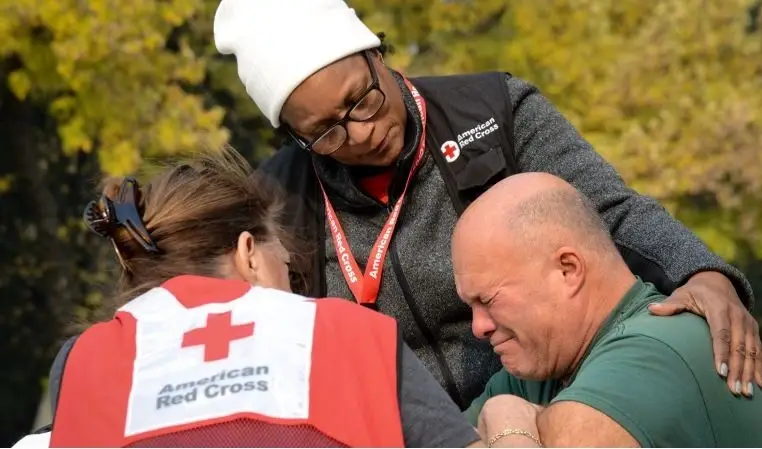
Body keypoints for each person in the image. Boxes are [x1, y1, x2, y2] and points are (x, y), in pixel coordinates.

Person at [212, 0, 762, 408]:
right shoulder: (278, 199)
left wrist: (703, 271)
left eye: (360, 98)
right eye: (327, 131)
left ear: (375, 52)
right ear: (294, 136)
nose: (360, 132)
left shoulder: (495, 110)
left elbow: (612, 212)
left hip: (544, 399)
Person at [13, 148, 482, 448]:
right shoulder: (349, 333)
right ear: (248, 254)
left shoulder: (83, 360)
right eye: (285, 260)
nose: (293, 278)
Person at [453, 172, 762, 447]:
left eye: (489, 300)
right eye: (472, 307)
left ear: (568, 270)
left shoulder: (653, 352)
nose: (479, 327)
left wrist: (503, 418)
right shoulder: (533, 370)